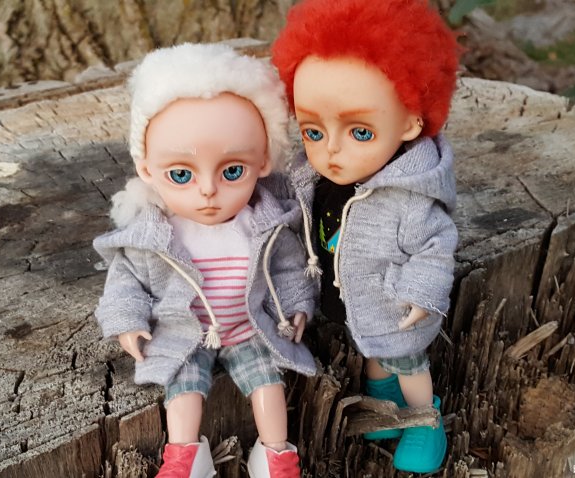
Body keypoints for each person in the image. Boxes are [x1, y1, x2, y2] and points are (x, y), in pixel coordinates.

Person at [93, 42, 316, 478]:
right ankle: (184, 456)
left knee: (268, 383)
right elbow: (125, 282)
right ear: (146, 168)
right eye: (181, 174)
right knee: (183, 390)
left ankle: (275, 454)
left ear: (263, 161)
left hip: (250, 329)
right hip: (186, 334)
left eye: (233, 171)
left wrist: (296, 305)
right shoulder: (153, 235)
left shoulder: (264, 224)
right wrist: (127, 321)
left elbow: (288, 267)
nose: (208, 190)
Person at [272, 0, 460, 473]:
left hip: (396, 308)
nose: (331, 150)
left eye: (360, 132)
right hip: (354, 305)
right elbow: (297, 231)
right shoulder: (310, 179)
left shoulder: (408, 198)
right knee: (373, 358)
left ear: (412, 121)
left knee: (409, 367)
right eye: (313, 131)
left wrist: (421, 292)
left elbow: (436, 246)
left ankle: (424, 420)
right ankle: (385, 407)